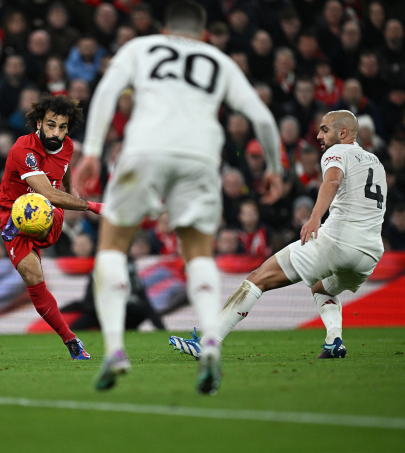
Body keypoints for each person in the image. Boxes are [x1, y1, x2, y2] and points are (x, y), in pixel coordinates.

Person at [76, 0, 283, 393]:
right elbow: (261, 117)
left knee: (112, 248)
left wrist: (91, 151)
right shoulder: (218, 60)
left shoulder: (141, 47)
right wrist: (274, 167)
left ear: (165, 30)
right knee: (198, 254)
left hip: (143, 152)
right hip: (200, 157)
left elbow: (106, 90)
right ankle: (208, 344)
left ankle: (116, 349)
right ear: (204, 34)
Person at [171, 111, 386, 363]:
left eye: (325, 129)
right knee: (321, 287)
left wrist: (315, 216)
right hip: (370, 252)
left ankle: (208, 343)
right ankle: (334, 341)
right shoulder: (375, 162)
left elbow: (332, 181)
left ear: (342, 133)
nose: (318, 135)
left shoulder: (336, 152)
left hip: (337, 241)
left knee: (257, 279)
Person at [0, 94, 103, 361]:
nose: (56, 132)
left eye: (62, 127)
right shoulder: (24, 149)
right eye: (51, 125)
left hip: (49, 215)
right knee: (32, 276)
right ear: (39, 123)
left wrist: (71, 190)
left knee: (38, 207)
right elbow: (48, 191)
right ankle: (71, 340)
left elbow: (63, 172)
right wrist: (90, 206)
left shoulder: (66, 146)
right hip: (15, 210)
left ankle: (23, 224)